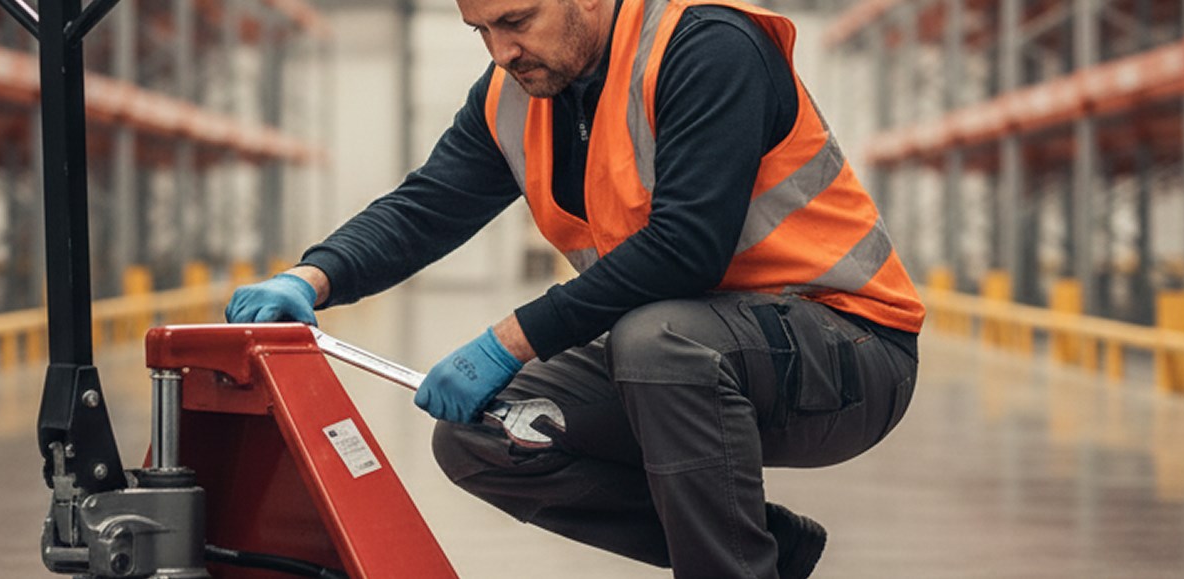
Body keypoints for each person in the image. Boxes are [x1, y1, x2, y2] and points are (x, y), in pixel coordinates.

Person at [225, 0, 923, 576]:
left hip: (848, 351)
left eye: (517, 21)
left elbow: (687, 248)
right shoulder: (517, 95)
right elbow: (428, 204)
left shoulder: (707, 45)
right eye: (482, 31)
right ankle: (759, 554)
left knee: (659, 339)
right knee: (485, 438)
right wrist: (311, 275)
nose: (501, 51)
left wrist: (508, 341)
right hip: (697, 353)